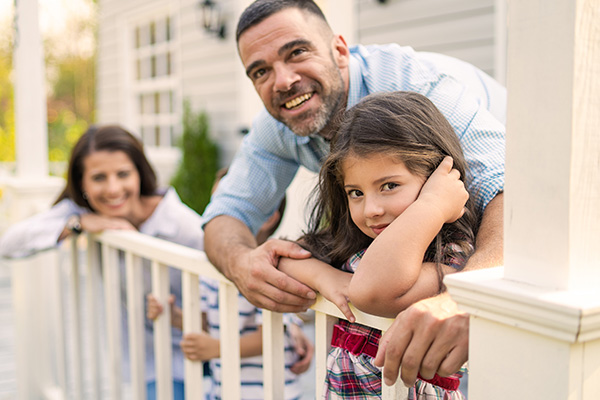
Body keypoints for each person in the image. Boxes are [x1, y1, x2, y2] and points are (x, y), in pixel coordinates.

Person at [202, 0, 505, 387]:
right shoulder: (278, 123)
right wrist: (242, 264)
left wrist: (467, 300)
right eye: (260, 71)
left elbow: (508, 190)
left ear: (340, 51)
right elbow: (225, 214)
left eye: (297, 52)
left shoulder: (419, 84)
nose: (282, 80)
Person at [278, 91, 475, 398]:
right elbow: (285, 256)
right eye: (355, 192)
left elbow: (371, 291)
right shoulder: (355, 246)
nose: (371, 209)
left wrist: (433, 205)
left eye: (389, 186)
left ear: (439, 177)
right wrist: (327, 278)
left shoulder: (451, 258)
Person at [0, 125, 203, 399]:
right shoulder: (82, 211)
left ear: (139, 174)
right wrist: (79, 223)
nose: (112, 189)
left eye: (123, 174)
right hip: (141, 366)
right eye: (98, 177)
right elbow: (10, 243)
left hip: (194, 363)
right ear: (81, 183)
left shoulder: (183, 226)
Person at [147, 167, 313, 399]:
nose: (217, 216)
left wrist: (217, 348)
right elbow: (208, 321)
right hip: (224, 389)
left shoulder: (273, 266)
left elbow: (272, 336)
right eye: (216, 204)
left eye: (228, 206)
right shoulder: (212, 267)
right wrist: (173, 315)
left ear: (270, 216)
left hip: (268, 392)